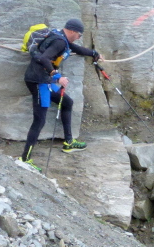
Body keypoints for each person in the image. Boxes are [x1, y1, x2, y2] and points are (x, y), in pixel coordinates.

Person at [19, 18, 101, 170]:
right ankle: (25, 159)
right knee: (39, 121)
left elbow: (76, 48)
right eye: (79, 34)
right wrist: (58, 77)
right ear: (72, 31)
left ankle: (69, 142)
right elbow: (44, 58)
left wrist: (94, 53)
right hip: (39, 82)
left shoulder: (60, 37)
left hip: (44, 81)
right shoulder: (60, 42)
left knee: (67, 103)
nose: (79, 37)